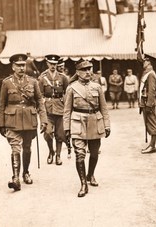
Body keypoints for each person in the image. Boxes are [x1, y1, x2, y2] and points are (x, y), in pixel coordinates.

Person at [0, 53, 48, 191]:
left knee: (27, 147)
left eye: (23, 65)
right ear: (13, 67)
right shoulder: (6, 82)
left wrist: (43, 120)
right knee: (15, 148)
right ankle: (15, 178)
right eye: (18, 66)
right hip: (12, 120)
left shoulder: (33, 82)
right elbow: (2, 105)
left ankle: (25, 172)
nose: (21, 68)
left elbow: (39, 101)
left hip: (29, 119)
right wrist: (1, 124)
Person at [63, 60, 111, 197]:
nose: (88, 72)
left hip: (95, 121)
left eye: (90, 69)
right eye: (84, 70)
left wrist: (107, 124)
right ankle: (83, 184)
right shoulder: (71, 88)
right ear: (78, 72)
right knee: (80, 154)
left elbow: (104, 108)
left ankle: (90, 175)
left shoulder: (97, 87)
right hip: (78, 122)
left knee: (94, 154)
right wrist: (66, 128)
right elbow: (67, 111)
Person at [38, 54, 69, 165]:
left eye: (55, 64)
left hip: (60, 108)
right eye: (51, 64)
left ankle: (58, 156)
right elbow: (40, 95)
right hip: (48, 110)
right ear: (47, 63)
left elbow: (67, 92)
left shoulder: (63, 77)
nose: (53, 66)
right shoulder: (42, 78)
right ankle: (51, 151)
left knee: (60, 134)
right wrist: (40, 109)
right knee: (48, 133)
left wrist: (67, 107)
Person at [139, 54, 156, 154]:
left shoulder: (151, 74)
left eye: (145, 61)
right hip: (145, 102)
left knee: (152, 124)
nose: (143, 63)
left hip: (148, 103)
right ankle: (151, 145)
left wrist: (149, 104)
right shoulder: (147, 73)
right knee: (148, 123)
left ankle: (152, 146)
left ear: (149, 62)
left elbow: (152, 91)